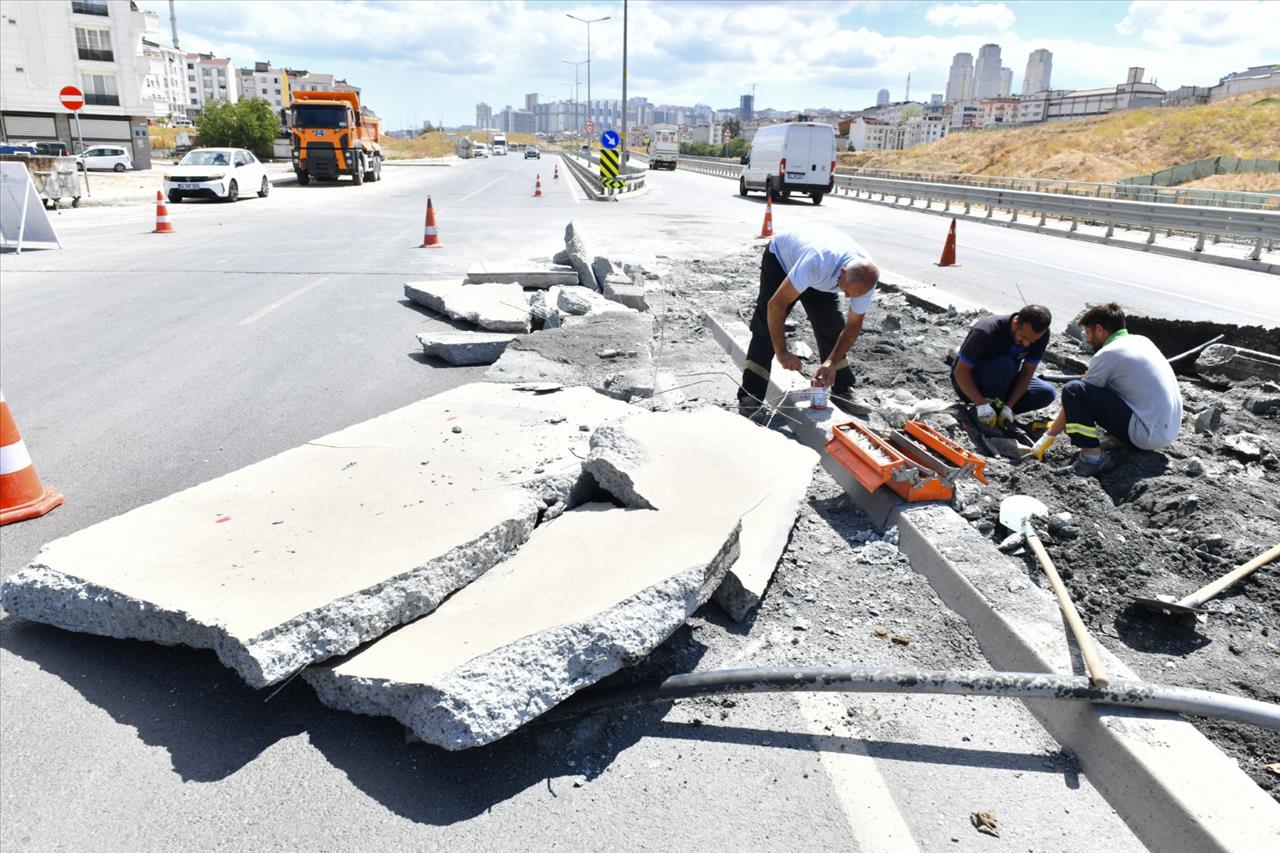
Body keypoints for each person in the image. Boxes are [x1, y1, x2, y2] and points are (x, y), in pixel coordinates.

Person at [738, 224, 879, 417]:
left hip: (824, 277)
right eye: (846, 291)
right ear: (843, 271)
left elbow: (853, 327)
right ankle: (750, 395)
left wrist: (831, 362)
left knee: (832, 327)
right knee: (765, 328)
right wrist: (782, 353)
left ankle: (842, 388)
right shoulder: (816, 262)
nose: (846, 297)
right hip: (782, 261)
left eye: (851, 295)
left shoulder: (865, 277)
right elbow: (775, 306)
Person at [1026, 303, 1183, 476]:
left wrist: (1049, 436)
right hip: (1167, 432)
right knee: (1102, 386)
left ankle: (1093, 459)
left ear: (1100, 330)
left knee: (1073, 390)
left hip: (1146, 435)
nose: (1086, 339)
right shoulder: (1141, 341)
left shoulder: (1109, 353)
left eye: (1087, 332)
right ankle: (1121, 441)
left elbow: (1080, 394)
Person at [951, 305, 1056, 428]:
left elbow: (1027, 372)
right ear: (1016, 323)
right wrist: (981, 404)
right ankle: (984, 410)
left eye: (1032, 341)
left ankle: (1000, 411)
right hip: (969, 383)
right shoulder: (986, 330)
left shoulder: (1040, 335)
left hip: (1004, 380)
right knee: (1005, 364)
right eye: (1023, 337)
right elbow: (960, 371)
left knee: (1046, 392)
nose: (1026, 344)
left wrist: (1009, 406)